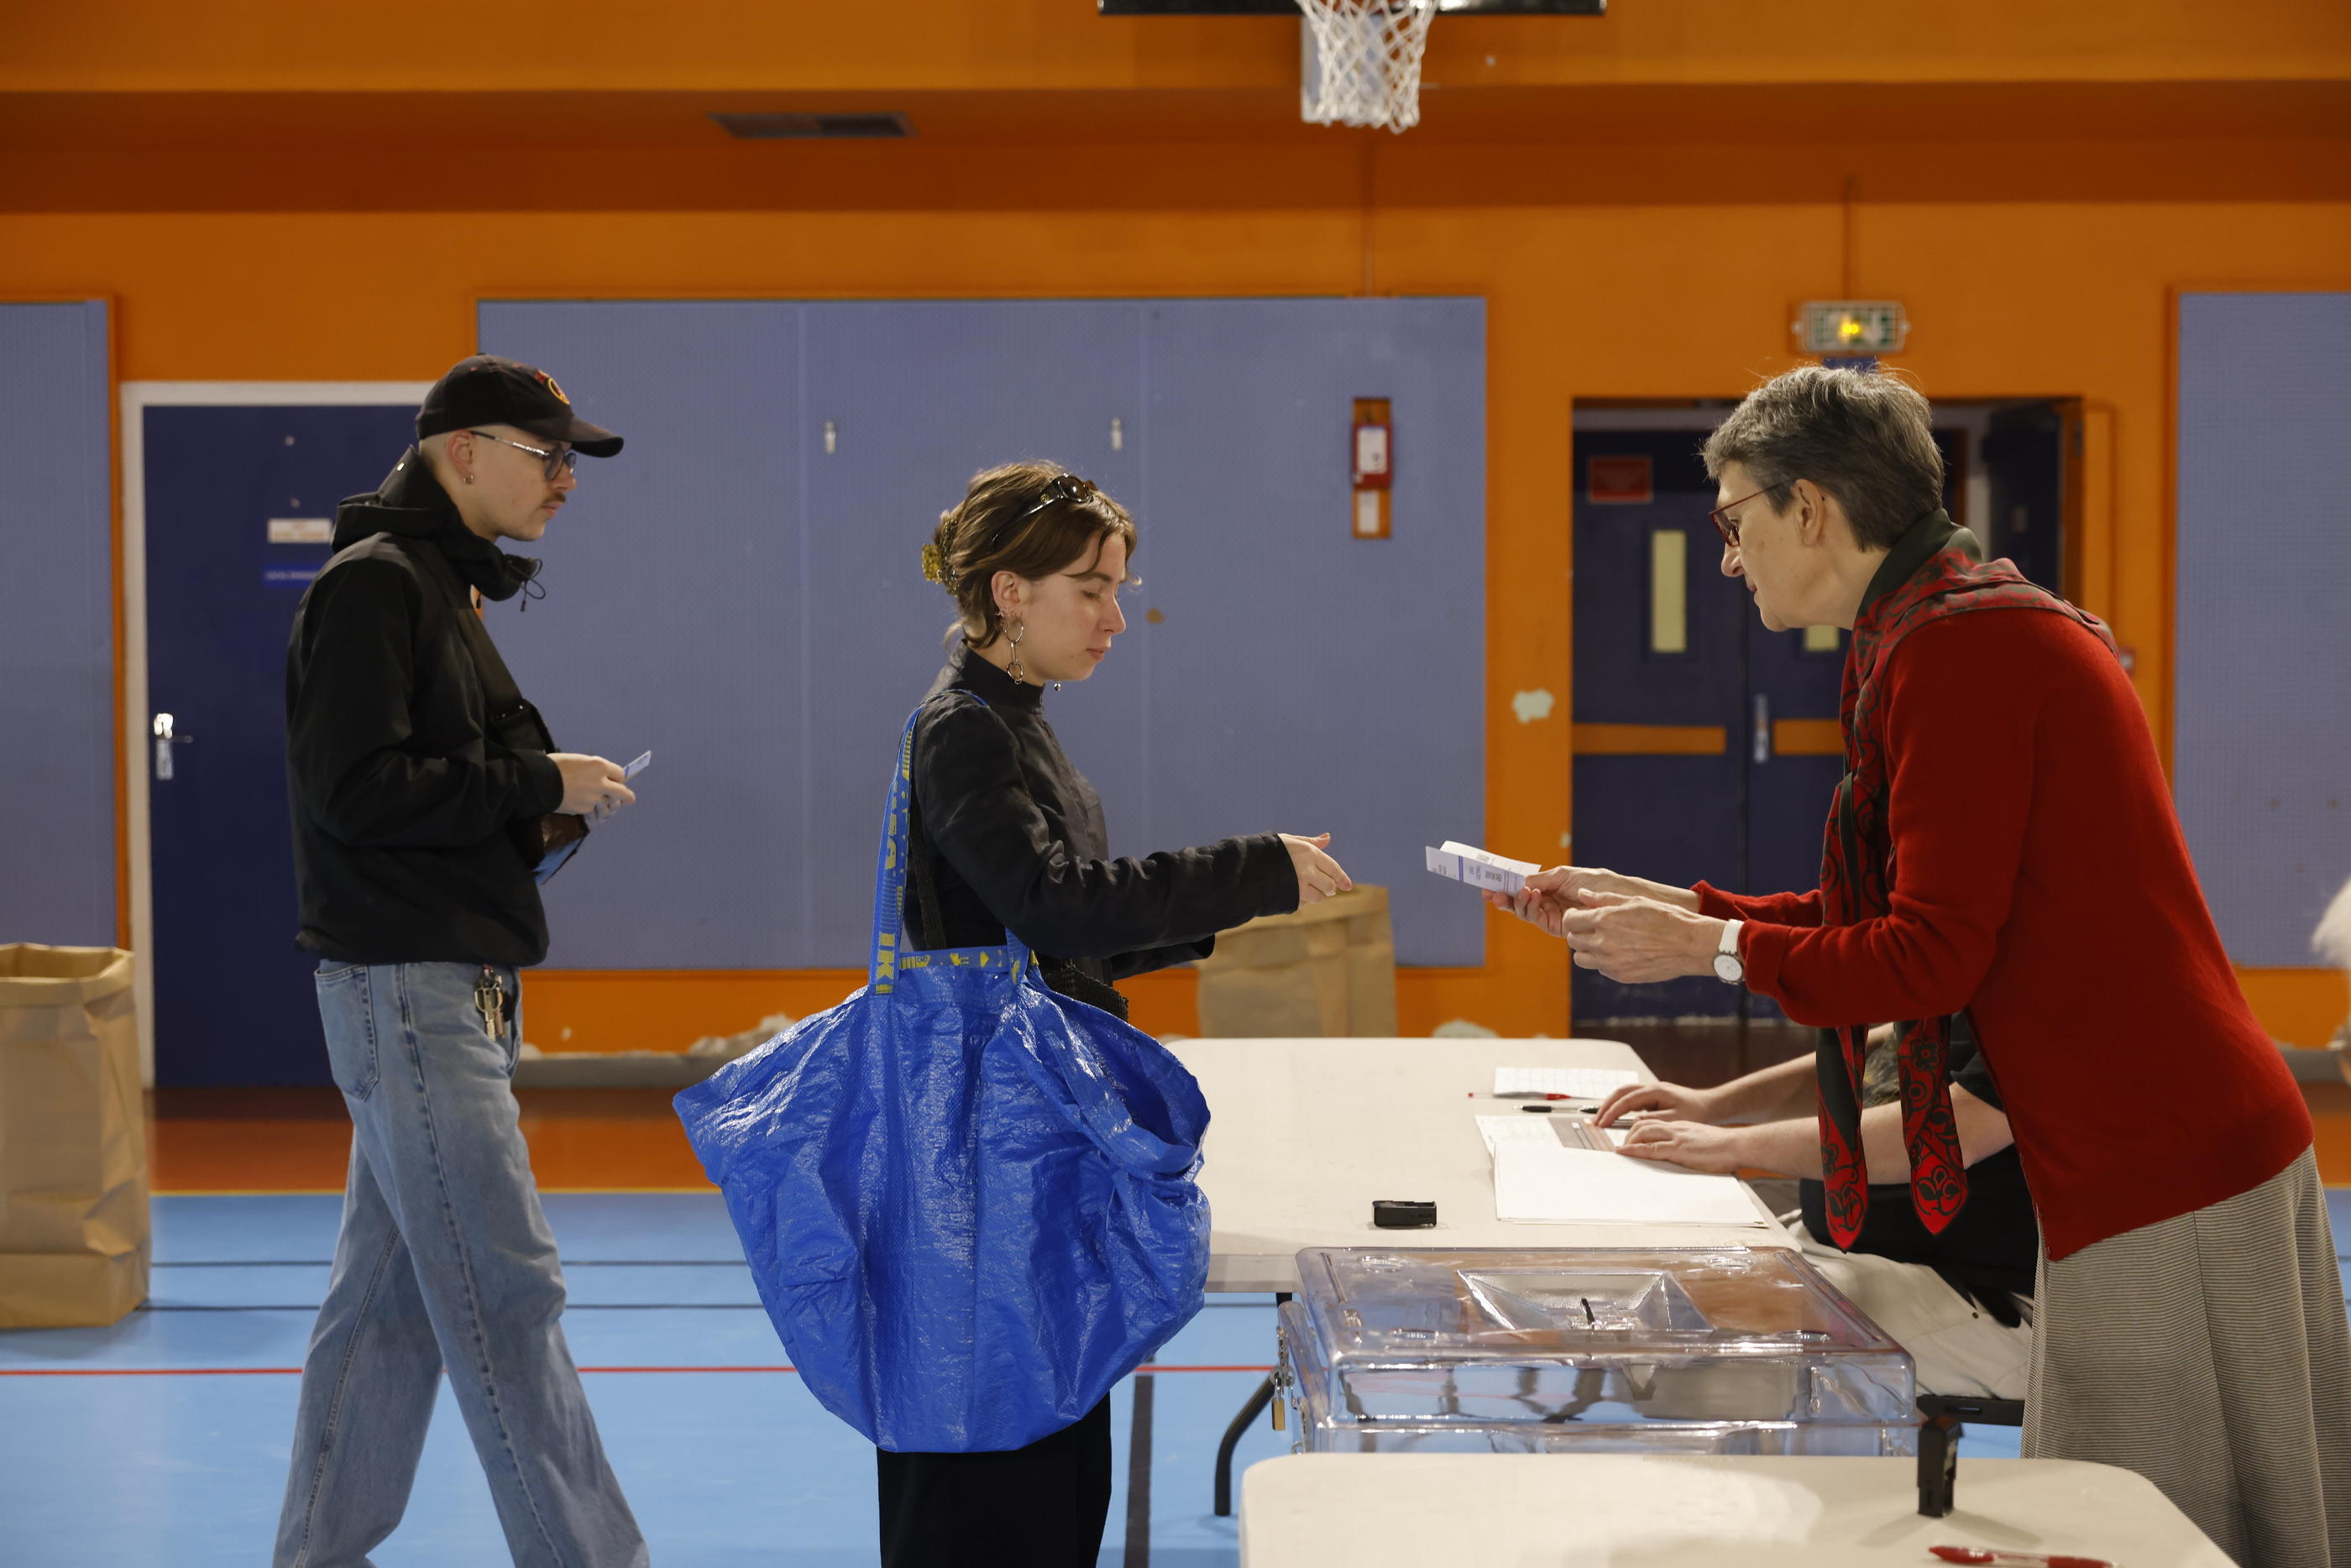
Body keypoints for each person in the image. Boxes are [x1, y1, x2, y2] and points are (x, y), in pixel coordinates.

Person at [1506, 365, 2351, 1566]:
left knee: (2160, 1533)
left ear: (1811, 509)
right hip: (2155, 1138)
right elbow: (1899, 907)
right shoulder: (1945, 628)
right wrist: (1678, 907)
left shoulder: (1965, 652)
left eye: (1734, 521)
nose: (1730, 559)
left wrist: (1716, 951)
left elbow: (1927, 954)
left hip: (2163, 1154)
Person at [882, 461, 1349, 1568]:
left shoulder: (1018, 726)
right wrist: (1247, 867)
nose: (1115, 616)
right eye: (1089, 587)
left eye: (1119, 586)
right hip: (988, 1156)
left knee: (1051, 1466)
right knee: (995, 1474)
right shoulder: (967, 731)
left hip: (1034, 1141)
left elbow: (1058, 936)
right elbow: (1052, 903)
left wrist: (1243, 899)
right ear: (1007, 591)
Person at [276, 355, 646, 1568]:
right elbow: (354, 789)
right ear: (460, 451)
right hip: (413, 992)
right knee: (507, 1296)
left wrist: (531, 807)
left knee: (385, 1316)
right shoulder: (377, 587)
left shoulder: (439, 588)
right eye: (547, 457)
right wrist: (539, 782)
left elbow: (413, 788)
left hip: (447, 991)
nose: (562, 483)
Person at [1593, 1018, 2036, 1401]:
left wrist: (1734, 1144)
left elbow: (1947, 1134)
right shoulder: (1986, 970)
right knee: (1645, 1263)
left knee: (1684, 1338)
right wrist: (1715, 1104)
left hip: (1980, 1296)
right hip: (1857, 1250)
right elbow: (1877, 1055)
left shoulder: (2063, 985)